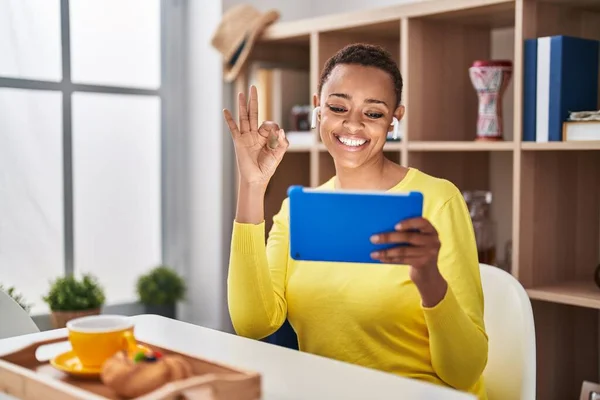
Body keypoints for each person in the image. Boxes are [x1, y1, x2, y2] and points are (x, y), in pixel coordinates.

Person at [223, 43, 488, 399]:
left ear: (395, 118)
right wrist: (252, 187)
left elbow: (464, 372)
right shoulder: (299, 211)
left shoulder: (439, 200)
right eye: (338, 107)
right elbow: (252, 324)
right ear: (318, 108)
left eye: (374, 113)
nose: (353, 124)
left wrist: (430, 280)